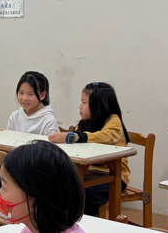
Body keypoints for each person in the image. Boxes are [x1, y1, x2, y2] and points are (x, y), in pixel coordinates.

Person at [49, 81, 130, 217]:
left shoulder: (113, 121)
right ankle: (63, 224)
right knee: (57, 186)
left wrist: (74, 136)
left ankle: (87, 225)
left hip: (114, 175)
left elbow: (104, 137)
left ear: (98, 105)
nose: (79, 106)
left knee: (85, 195)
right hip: (88, 171)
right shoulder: (84, 123)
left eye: (84, 102)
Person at [6, 70, 59, 135]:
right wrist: (3, 135)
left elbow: (49, 142)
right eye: (21, 93)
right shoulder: (15, 116)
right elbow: (8, 138)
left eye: (30, 94)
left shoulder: (48, 120)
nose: (24, 98)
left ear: (42, 95)